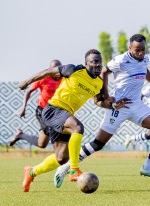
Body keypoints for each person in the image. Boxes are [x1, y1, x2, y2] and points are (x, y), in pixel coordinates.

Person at [54, 34, 150, 188]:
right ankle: (65, 167)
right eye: (137, 50)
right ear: (130, 48)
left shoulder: (144, 59)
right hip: (119, 106)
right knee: (98, 144)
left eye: (143, 50)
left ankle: (147, 167)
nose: (141, 53)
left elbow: (145, 71)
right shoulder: (121, 60)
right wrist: (107, 96)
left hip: (136, 105)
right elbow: (103, 72)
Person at [18, 49, 126, 192]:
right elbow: (47, 71)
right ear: (86, 63)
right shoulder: (73, 70)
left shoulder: (98, 83)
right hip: (53, 110)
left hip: (64, 115)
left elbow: (99, 102)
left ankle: (31, 172)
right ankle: (74, 170)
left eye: (100, 62)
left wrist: (112, 105)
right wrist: (27, 81)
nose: (98, 64)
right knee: (78, 127)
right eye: (94, 61)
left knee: (61, 158)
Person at [9, 59, 62, 148]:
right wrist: (23, 107)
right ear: (49, 69)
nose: (56, 70)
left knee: (42, 144)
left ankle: (20, 135)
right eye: (53, 68)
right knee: (53, 132)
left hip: (56, 111)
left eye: (58, 68)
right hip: (42, 111)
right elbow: (29, 91)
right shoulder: (43, 78)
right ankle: (60, 156)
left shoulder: (64, 79)